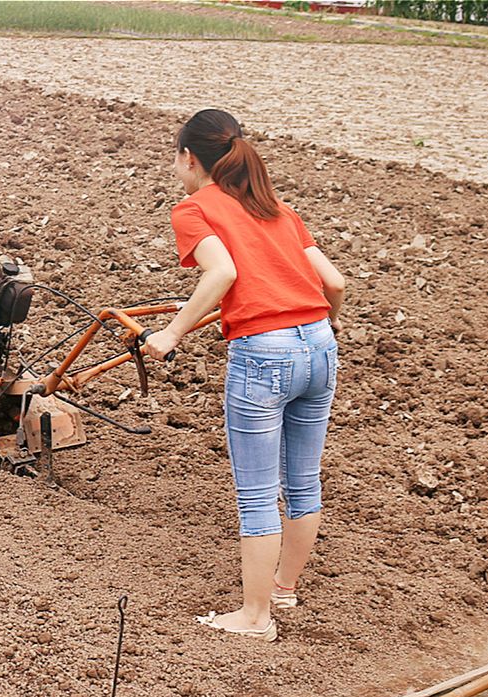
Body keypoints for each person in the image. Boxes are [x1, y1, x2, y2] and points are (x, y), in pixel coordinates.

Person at [144, 109, 345, 642]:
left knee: (257, 495)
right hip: (319, 346)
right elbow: (336, 283)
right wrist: (317, 329)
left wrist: (171, 334)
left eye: (176, 157)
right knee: (302, 481)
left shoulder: (193, 209)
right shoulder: (276, 207)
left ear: (190, 157)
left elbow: (225, 271)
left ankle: (255, 618)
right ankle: (283, 587)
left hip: (265, 356)